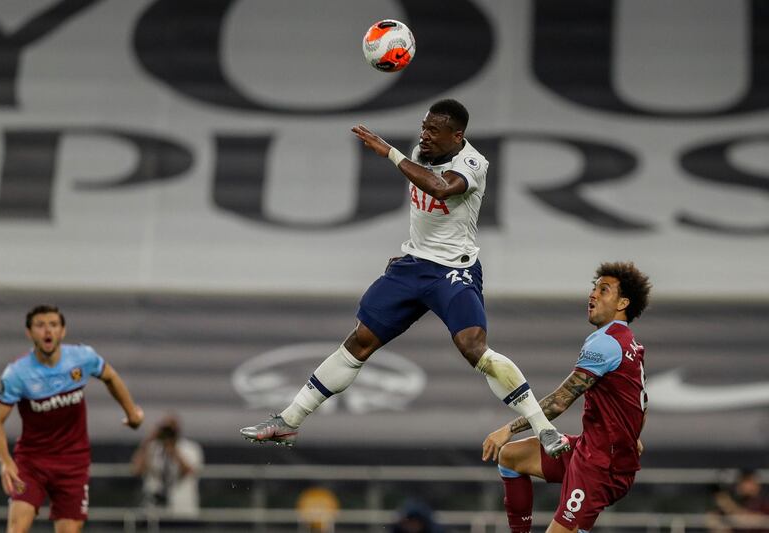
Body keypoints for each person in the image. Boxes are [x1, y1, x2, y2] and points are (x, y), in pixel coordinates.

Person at [241, 98, 569, 458]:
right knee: (359, 341)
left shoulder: (472, 163)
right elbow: (425, 207)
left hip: (453, 272)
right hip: (413, 266)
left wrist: (390, 154)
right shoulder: (422, 152)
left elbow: (441, 189)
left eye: (433, 130)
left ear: (456, 135)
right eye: (423, 127)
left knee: (475, 347)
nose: (424, 136)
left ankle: (545, 429)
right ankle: (289, 420)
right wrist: (414, 250)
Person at [481, 261, 652, 533]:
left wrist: (508, 429)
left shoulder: (606, 342)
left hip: (600, 469)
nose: (592, 294)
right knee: (511, 457)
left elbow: (560, 401)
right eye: (594, 288)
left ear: (623, 303)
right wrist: (633, 438)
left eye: (604, 290)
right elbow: (641, 401)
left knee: (508, 443)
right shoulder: (629, 343)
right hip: (589, 451)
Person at [0, 304, 144, 533]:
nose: (47, 331)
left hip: (73, 462)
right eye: (40, 325)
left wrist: (132, 414)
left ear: (63, 331)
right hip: (32, 462)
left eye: (53, 325)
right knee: (17, 529)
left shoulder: (82, 358)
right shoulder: (17, 374)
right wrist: (5, 461)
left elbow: (110, 376)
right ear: (29, 333)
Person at [131, 413, 204, 517]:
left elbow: (189, 472)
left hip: (182, 510)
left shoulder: (190, 448)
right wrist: (148, 440)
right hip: (154, 511)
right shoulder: (152, 448)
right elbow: (136, 470)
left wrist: (173, 450)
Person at [707, 469, 769, 533]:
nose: (745, 485)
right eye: (743, 482)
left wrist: (727, 504)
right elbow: (713, 519)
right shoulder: (739, 501)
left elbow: (750, 521)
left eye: (749, 481)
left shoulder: (764, 503)